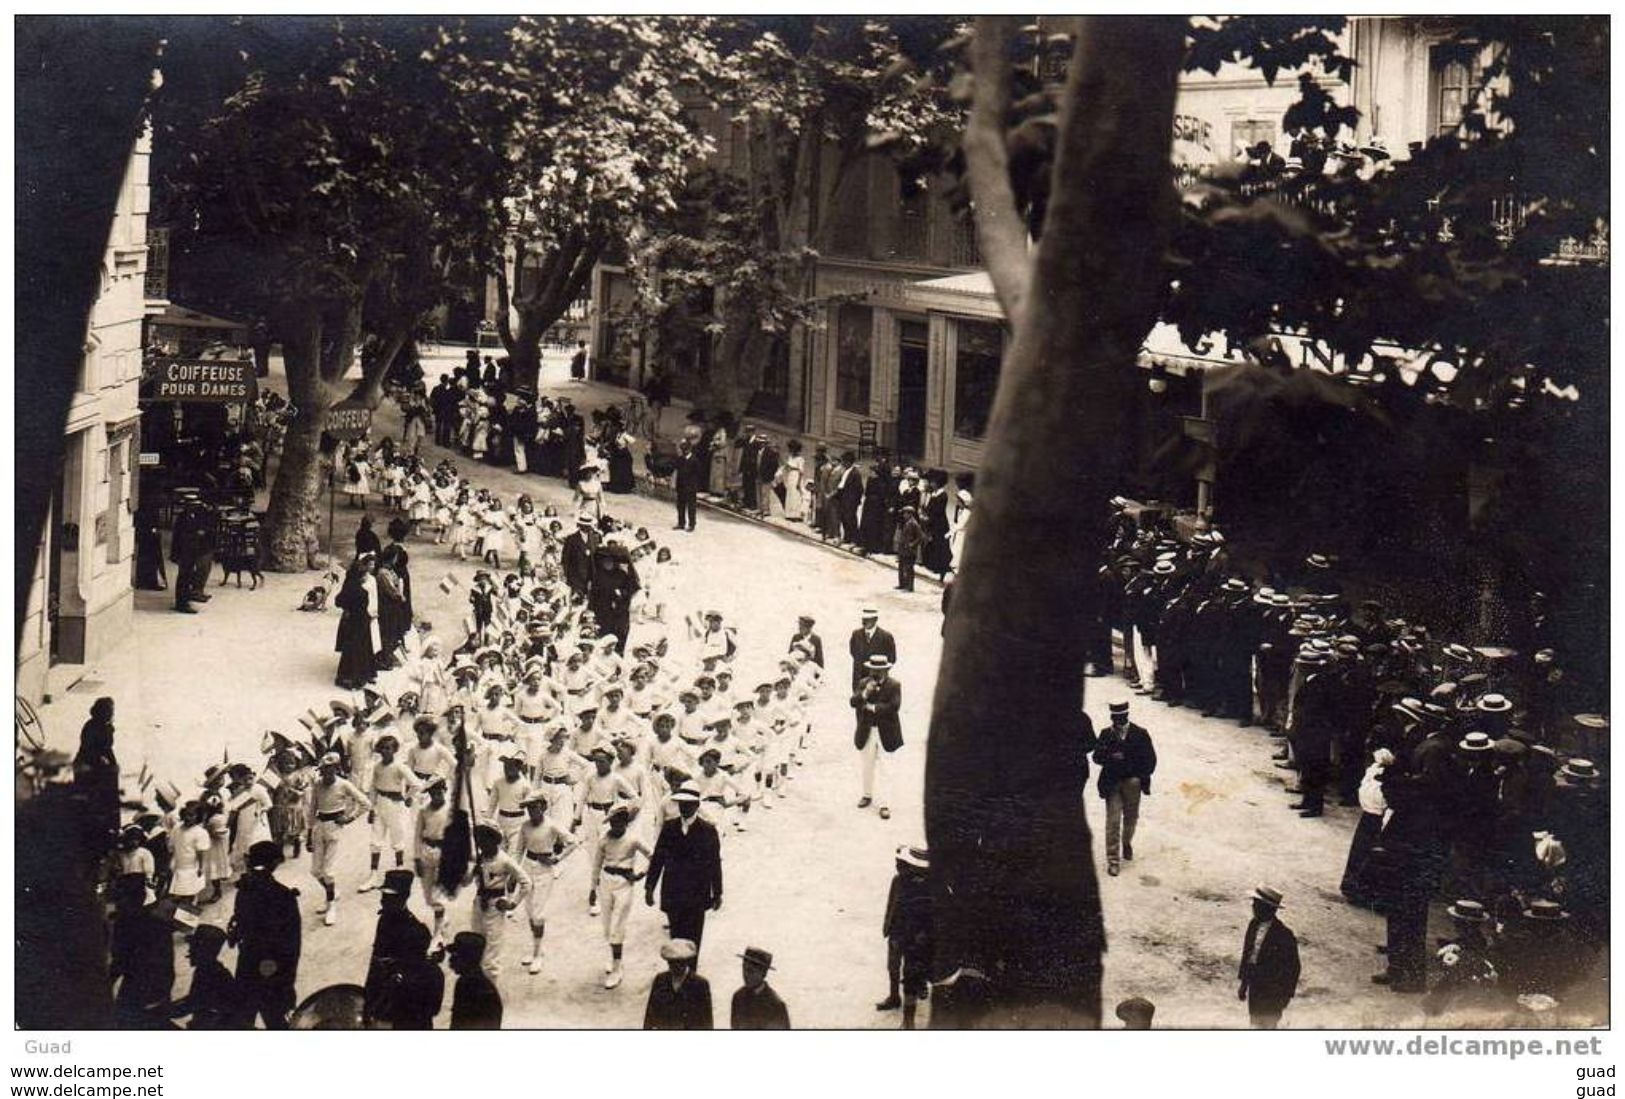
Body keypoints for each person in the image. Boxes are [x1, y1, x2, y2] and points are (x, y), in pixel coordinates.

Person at [228, 840, 301, 1029]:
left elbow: (239, 924)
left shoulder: (244, 889)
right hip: (271, 966)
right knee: (276, 1019)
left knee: (243, 1018)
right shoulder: (283, 896)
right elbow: (292, 945)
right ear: (275, 863)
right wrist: (287, 982)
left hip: (248, 961)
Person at [645, 783, 724, 955]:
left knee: (693, 939)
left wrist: (717, 893)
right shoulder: (669, 828)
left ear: (696, 805)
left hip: (697, 894)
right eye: (681, 803)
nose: (683, 807)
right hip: (673, 893)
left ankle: (691, 975)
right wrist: (649, 887)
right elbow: (658, 858)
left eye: (688, 804)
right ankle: (676, 975)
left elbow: (714, 864)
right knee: (676, 938)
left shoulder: (708, 831)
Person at [1092, 701, 1158, 877]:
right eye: (1114, 718)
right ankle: (1113, 860)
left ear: (1127, 716)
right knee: (1112, 822)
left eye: (1121, 718)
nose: (1117, 722)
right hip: (1112, 782)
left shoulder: (1140, 734)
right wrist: (1110, 756)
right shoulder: (1106, 734)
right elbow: (1096, 757)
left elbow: (1150, 760)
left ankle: (1126, 842)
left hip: (1133, 783)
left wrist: (1135, 773)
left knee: (1131, 818)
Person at [306, 751, 371, 927]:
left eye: (331, 769)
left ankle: (331, 905)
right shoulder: (317, 785)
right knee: (315, 871)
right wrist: (308, 833)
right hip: (320, 826)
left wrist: (349, 818)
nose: (327, 773)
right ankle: (331, 893)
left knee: (328, 871)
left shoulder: (344, 785)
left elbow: (365, 803)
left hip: (335, 828)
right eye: (324, 770)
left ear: (336, 768)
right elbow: (312, 809)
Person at [592, 803, 651, 989]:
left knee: (618, 925)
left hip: (624, 884)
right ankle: (614, 958)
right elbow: (596, 865)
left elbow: (653, 856)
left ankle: (617, 968)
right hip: (606, 880)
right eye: (612, 822)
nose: (615, 826)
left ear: (625, 822)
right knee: (608, 926)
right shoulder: (604, 839)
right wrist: (592, 889)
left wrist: (640, 874)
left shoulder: (633, 839)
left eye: (618, 822)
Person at [877, 845, 931, 1029]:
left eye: (901, 863)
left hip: (917, 939)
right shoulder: (898, 881)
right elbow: (891, 904)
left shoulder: (929, 888)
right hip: (897, 932)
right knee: (893, 965)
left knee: (911, 976)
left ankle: (908, 1021)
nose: (897, 865)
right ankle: (893, 997)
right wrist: (887, 927)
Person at [467, 823, 531, 979]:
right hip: (479, 903)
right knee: (477, 946)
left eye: (485, 839)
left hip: (495, 907)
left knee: (491, 955)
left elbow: (526, 882)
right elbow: (464, 882)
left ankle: (490, 992)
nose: (481, 844)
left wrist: (512, 903)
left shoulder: (504, 860)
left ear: (494, 840)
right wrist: (472, 872)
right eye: (479, 839)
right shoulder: (479, 858)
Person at [364, 869, 429, 1022]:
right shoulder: (384, 919)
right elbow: (376, 960)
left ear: (404, 897)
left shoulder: (413, 930)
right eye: (383, 896)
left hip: (399, 1002)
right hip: (378, 991)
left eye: (390, 897)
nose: (383, 901)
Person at [1237, 885, 1301, 1029]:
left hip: (1273, 992)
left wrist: (1285, 998)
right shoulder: (1253, 925)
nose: (1253, 906)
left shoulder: (1284, 935)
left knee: (1268, 1025)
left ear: (1269, 909)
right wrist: (1244, 983)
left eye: (1257, 904)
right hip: (1255, 986)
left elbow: (1293, 968)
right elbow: (1247, 955)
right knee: (1254, 1021)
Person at [851, 654, 902, 819]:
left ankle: (885, 804)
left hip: (886, 732)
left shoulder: (894, 685)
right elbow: (853, 702)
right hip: (867, 730)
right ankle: (867, 794)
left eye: (879, 670)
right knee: (867, 765)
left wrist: (873, 707)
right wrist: (865, 693)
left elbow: (894, 706)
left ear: (886, 670)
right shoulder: (864, 683)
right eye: (873, 670)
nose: (876, 673)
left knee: (886, 768)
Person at [74, 696, 120, 856]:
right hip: (91, 768)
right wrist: (101, 760)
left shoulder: (105, 726)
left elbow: (106, 747)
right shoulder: (91, 727)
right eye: (110, 711)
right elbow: (88, 748)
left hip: (102, 766)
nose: (112, 714)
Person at [168, 924, 237, 1030]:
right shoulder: (208, 970)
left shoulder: (211, 974)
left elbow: (192, 1003)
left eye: (194, 947)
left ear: (204, 951)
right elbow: (192, 1000)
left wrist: (163, 1012)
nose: (190, 951)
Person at [643, 938, 712, 1030]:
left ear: (687, 962)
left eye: (680, 962)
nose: (676, 967)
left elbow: (706, 1021)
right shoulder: (660, 980)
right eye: (672, 963)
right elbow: (650, 1015)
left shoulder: (700, 984)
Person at [334, 557, 378, 689]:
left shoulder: (349, 586)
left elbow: (338, 601)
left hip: (350, 622)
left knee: (350, 650)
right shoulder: (362, 591)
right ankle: (362, 675)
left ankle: (346, 676)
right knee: (363, 649)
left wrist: (347, 609)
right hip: (362, 622)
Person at [448, 932, 503, 1029]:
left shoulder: (468, 985)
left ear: (466, 959)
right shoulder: (469, 981)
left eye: (456, 955)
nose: (451, 959)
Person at [730, 946, 790, 1029]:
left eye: (751, 971)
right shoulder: (738, 997)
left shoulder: (775, 1005)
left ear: (763, 973)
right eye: (744, 968)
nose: (745, 974)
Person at [848, 608, 897, 690]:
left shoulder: (886, 637)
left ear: (875, 620)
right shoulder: (856, 634)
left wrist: (880, 672)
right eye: (863, 619)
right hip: (858, 679)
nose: (864, 622)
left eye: (867, 619)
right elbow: (853, 652)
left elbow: (892, 659)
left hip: (877, 681)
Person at [673, 437, 703, 532]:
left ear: (690, 449)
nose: (684, 451)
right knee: (680, 505)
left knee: (691, 507)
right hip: (681, 486)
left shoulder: (695, 460)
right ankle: (681, 523)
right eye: (683, 449)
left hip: (690, 487)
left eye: (685, 449)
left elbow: (698, 474)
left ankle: (691, 524)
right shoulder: (680, 459)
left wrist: (695, 486)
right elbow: (676, 470)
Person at [893, 505, 923, 592]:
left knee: (909, 568)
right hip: (903, 548)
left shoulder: (914, 524)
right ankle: (902, 584)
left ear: (910, 514)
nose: (904, 515)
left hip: (910, 550)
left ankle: (910, 586)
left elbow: (920, 537)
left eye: (905, 513)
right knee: (901, 567)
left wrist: (912, 544)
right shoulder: (906, 523)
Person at [779, 440, 806, 521]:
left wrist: (798, 482)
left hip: (796, 475)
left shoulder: (800, 459)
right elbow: (787, 467)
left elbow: (801, 471)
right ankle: (789, 513)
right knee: (790, 493)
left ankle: (796, 514)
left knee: (795, 494)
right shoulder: (790, 457)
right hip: (790, 475)